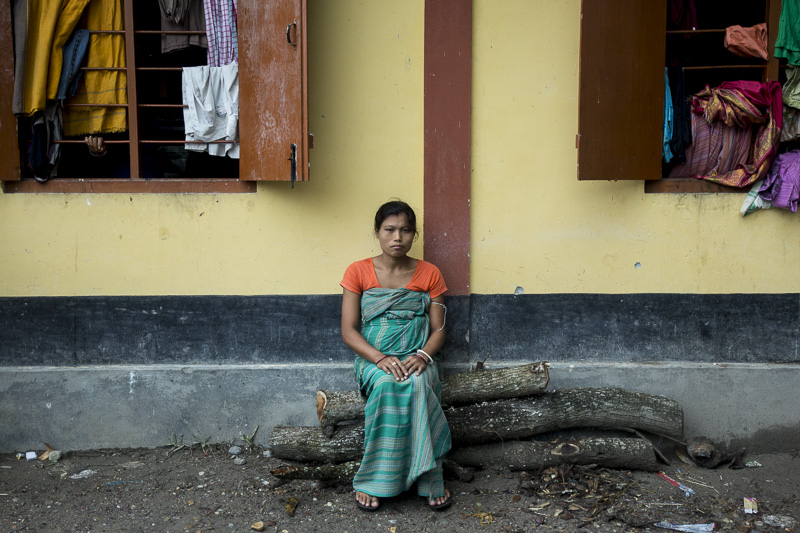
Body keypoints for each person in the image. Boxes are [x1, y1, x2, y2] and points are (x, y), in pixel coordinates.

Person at [340, 200, 452, 512]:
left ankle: (430, 477)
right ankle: (376, 480)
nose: (397, 237)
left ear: (414, 234)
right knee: (388, 385)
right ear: (377, 232)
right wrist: (379, 359)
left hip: (419, 357)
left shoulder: (430, 273)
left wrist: (423, 356)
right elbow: (348, 330)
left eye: (405, 230)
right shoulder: (357, 271)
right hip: (374, 360)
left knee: (417, 385)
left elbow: (439, 330)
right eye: (389, 230)